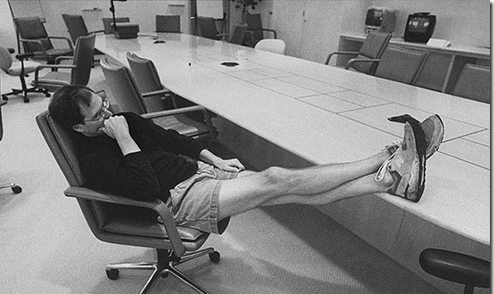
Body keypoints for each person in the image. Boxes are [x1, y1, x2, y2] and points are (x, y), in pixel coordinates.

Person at [48, 85, 444, 234]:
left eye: (104, 103)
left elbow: (169, 138)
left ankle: (390, 180)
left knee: (289, 194)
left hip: (197, 174)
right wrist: (123, 142)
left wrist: (213, 159)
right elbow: (144, 188)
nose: (109, 114)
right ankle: (385, 156)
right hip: (175, 200)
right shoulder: (95, 155)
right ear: (80, 128)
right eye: (98, 115)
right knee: (277, 179)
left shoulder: (124, 121)